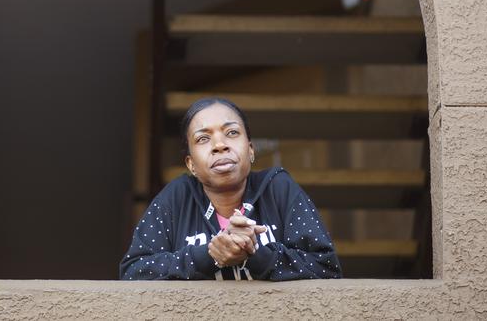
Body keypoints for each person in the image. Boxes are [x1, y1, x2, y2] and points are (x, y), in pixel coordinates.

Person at [120, 97, 341, 281]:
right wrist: (207, 255)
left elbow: (327, 268)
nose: (219, 145)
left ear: (251, 150)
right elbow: (133, 272)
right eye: (203, 138)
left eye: (232, 133)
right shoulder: (177, 197)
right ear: (191, 164)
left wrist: (255, 255)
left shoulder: (278, 188)